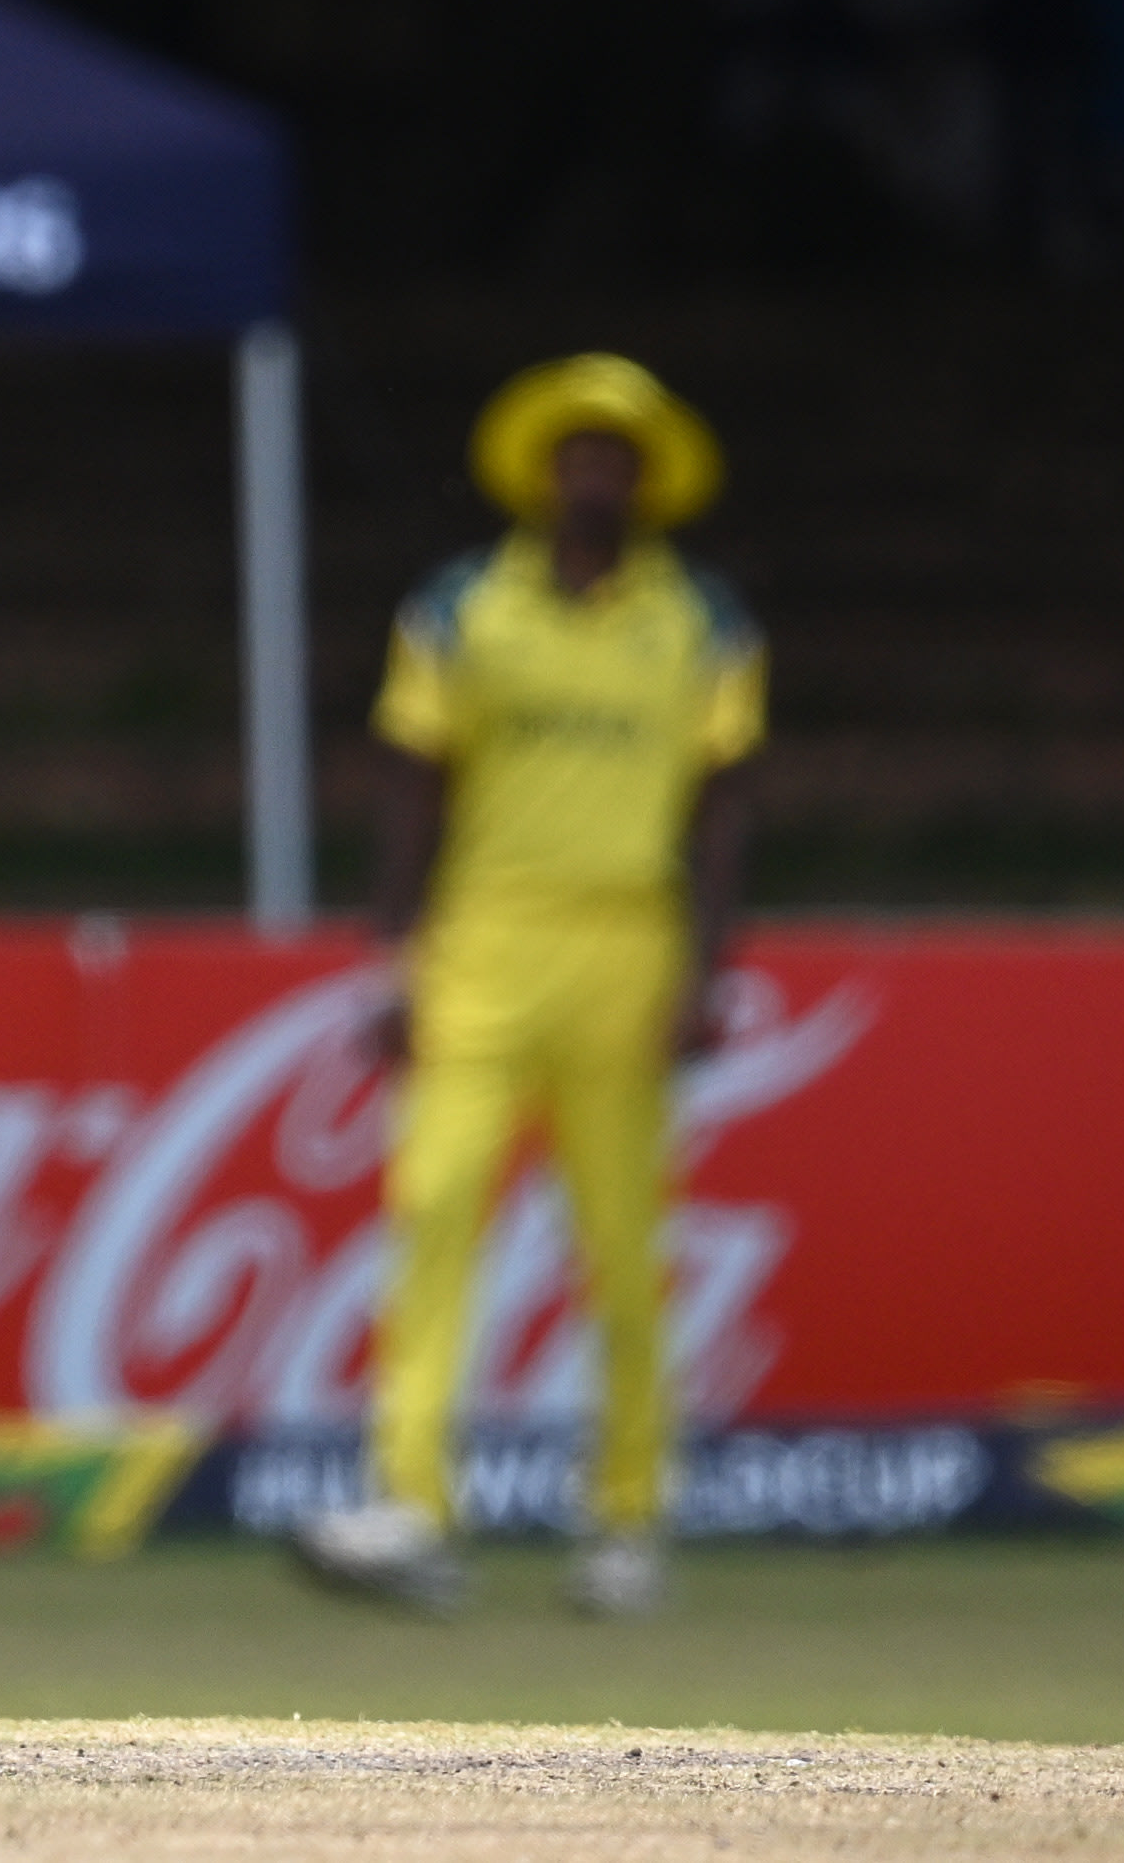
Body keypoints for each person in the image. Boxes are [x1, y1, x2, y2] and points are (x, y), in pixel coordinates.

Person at [293, 354, 762, 1619]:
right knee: (435, 1206)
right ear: (542, 472)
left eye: (616, 456)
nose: (594, 474)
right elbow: (411, 777)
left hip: (628, 943)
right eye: (576, 453)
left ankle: (627, 1521)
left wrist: (708, 967)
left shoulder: (704, 619)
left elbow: (725, 800)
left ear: (646, 479)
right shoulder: (460, 606)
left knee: (620, 1244)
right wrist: (391, 953)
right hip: (483, 938)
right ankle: (408, 1507)